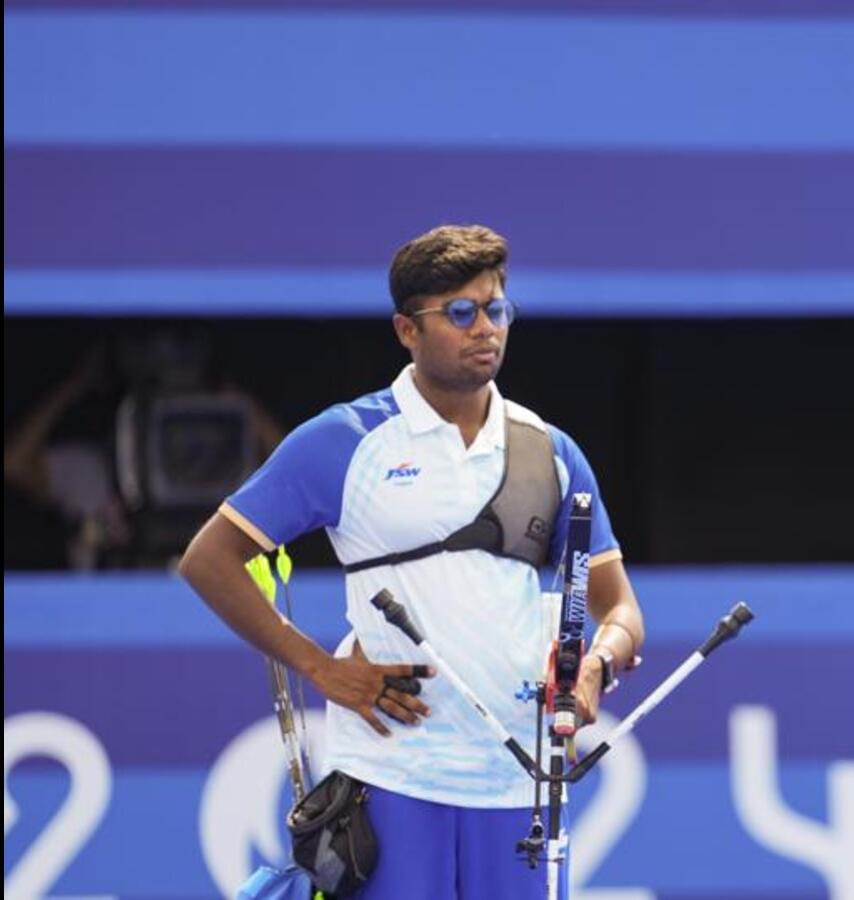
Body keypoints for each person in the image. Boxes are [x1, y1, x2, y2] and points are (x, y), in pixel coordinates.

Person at [179, 224, 644, 899]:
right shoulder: (345, 440)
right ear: (407, 330)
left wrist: (597, 662)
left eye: (496, 309)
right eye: (459, 312)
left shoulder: (551, 450)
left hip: (520, 779)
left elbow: (620, 608)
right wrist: (322, 670)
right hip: (393, 778)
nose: (484, 328)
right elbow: (209, 559)